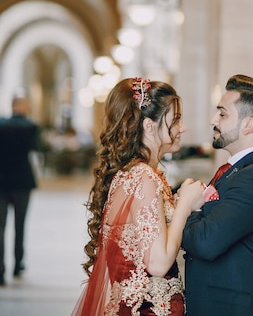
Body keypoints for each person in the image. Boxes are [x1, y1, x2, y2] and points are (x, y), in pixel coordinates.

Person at [71, 77, 205, 316]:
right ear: (149, 126)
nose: (182, 128)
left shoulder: (133, 174)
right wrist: (184, 204)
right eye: (175, 120)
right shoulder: (144, 177)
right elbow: (158, 263)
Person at [182, 74, 253, 316]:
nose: (213, 120)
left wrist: (190, 208)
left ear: (248, 125)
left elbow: (206, 242)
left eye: (222, 114)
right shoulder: (238, 170)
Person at [0, 95, 40, 286]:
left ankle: (0, 269)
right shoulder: (30, 126)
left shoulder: (1, 125)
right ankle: (17, 264)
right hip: (22, 182)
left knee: (0, 228)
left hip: (2, 181)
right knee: (19, 225)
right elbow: (36, 147)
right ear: (23, 106)